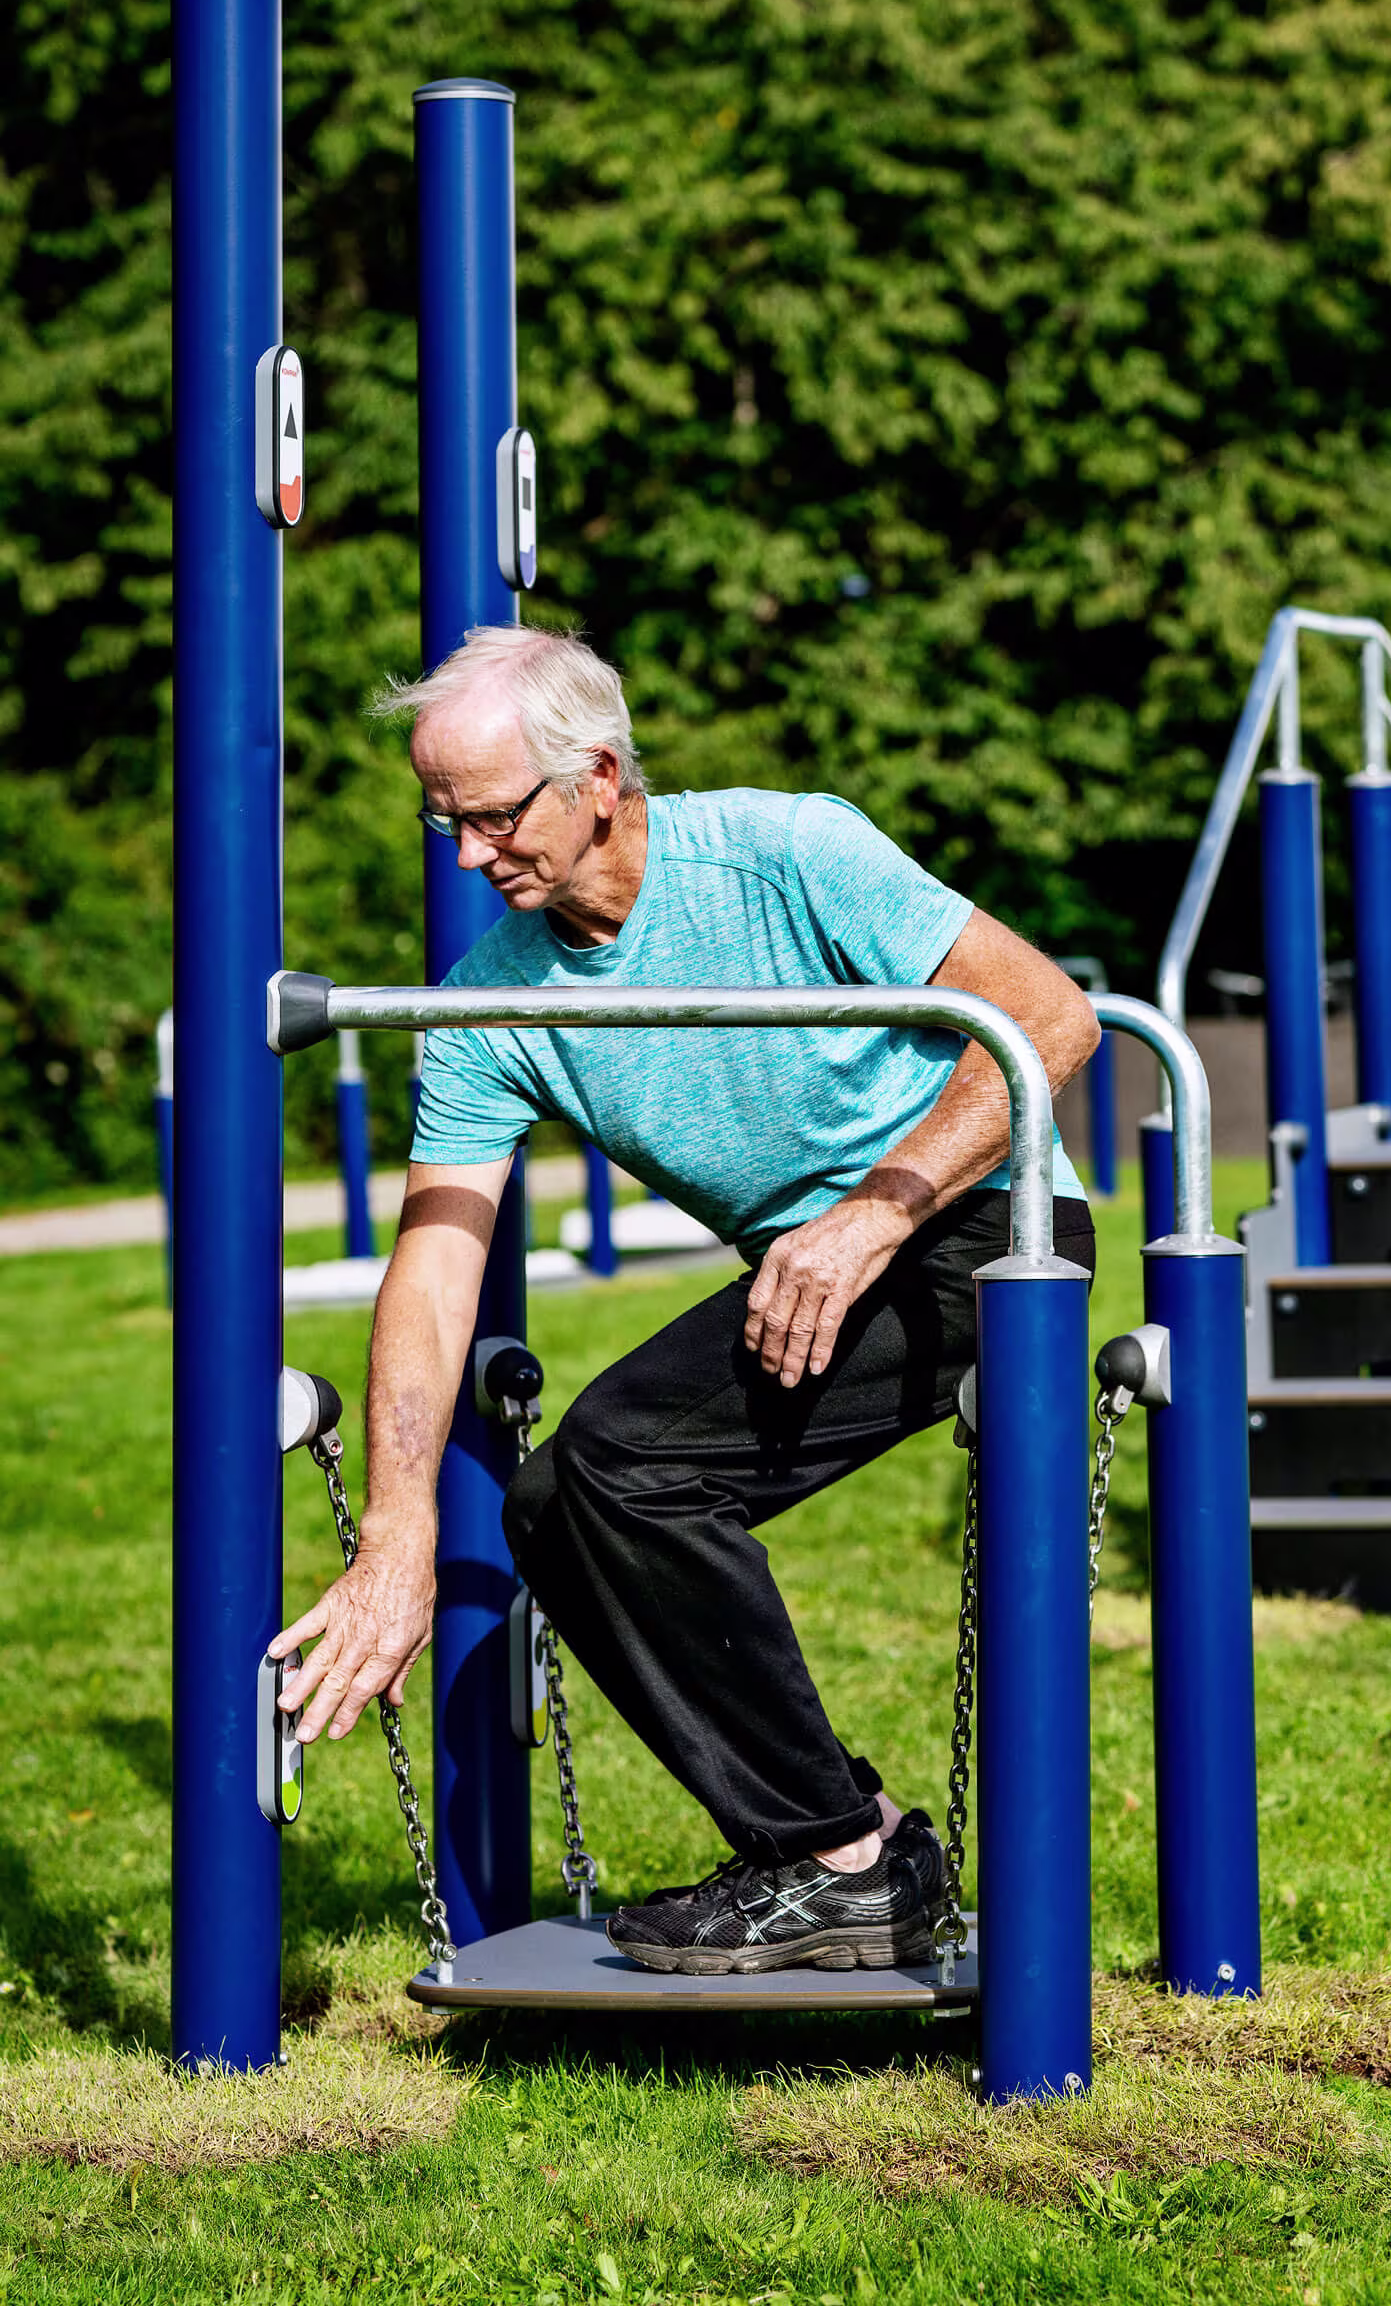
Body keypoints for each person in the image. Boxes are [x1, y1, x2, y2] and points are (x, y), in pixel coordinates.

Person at [271, 623, 1098, 1975]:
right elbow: (432, 1263)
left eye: (490, 818)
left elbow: (1046, 1023)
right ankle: (854, 1842)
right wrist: (396, 1534)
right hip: (803, 1265)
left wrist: (869, 1214)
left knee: (623, 1467)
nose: (469, 858)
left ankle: (829, 1858)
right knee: (558, 1508)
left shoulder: (786, 852)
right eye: (444, 823)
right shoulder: (490, 1001)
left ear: (596, 776)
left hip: (968, 1226)